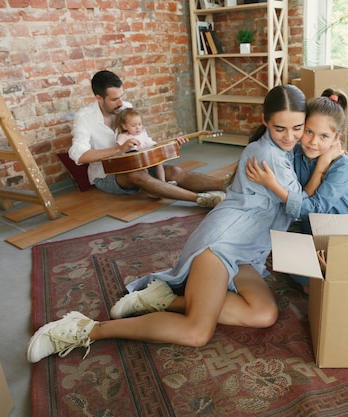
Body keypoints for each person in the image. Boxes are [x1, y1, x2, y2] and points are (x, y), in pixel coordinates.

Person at [27, 84, 307, 363]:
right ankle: (86, 329)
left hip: (247, 250)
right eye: (280, 128)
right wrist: (327, 160)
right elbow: (304, 208)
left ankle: (162, 299)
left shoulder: (286, 150)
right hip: (221, 246)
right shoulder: (268, 154)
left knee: (263, 314)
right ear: (265, 121)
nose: (289, 136)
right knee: (197, 332)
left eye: (297, 127)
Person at [246, 89, 348, 293]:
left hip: (337, 231)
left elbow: (314, 208)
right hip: (307, 227)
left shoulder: (342, 166)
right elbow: (298, 202)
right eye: (309, 132)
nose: (313, 142)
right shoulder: (296, 153)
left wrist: (273, 185)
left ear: (335, 138)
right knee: (300, 276)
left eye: (324, 136)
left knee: (319, 286)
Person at [68, 70, 228, 208]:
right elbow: (79, 155)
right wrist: (118, 149)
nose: (121, 102)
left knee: (174, 171)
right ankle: (200, 199)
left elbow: (144, 140)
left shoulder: (126, 109)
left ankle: (226, 184)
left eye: (121, 96)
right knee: (136, 175)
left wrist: (170, 144)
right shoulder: (84, 117)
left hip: (138, 163)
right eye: (114, 99)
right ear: (99, 98)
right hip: (105, 175)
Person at [115, 107, 167, 184]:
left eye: (140, 124)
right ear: (125, 126)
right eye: (133, 125)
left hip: (147, 159)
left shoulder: (142, 134)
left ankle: (163, 182)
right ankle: (151, 186)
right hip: (135, 163)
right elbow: (118, 149)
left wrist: (155, 146)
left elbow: (149, 142)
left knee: (159, 162)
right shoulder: (123, 136)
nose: (138, 127)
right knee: (143, 171)